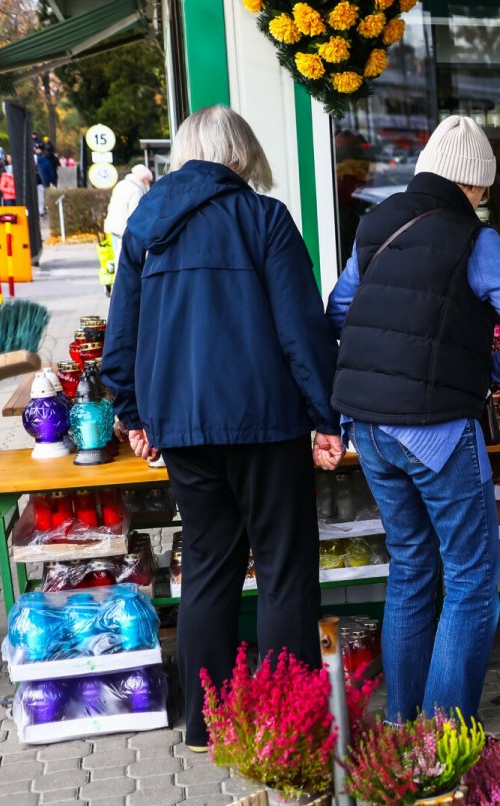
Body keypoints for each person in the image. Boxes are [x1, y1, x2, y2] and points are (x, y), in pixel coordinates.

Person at [102, 106, 341, 750]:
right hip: (266, 424)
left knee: (208, 567)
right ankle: (286, 723)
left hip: (181, 427)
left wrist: (131, 413)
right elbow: (302, 331)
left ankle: (209, 724)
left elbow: (119, 336)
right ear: (240, 157)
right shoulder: (264, 219)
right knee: (285, 567)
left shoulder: (144, 229)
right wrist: (325, 415)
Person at [327, 115, 500, 722]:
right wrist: (486, 369)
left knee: (409, 567)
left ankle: (403, 724)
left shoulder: (376, 224)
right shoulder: (476, 242)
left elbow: (339, 309)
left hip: (369, 430)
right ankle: (441, 739)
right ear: (477, 186)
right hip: (435, 432)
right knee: (471, 580)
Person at [104, 164, 154, 269]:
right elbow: (135, 216)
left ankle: (116, 283)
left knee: (118, 259)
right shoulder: (136, 191)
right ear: (144, 180)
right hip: (124, 231)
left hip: (113, 228)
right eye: (148, 182)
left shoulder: (121, 184)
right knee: (125, 263)